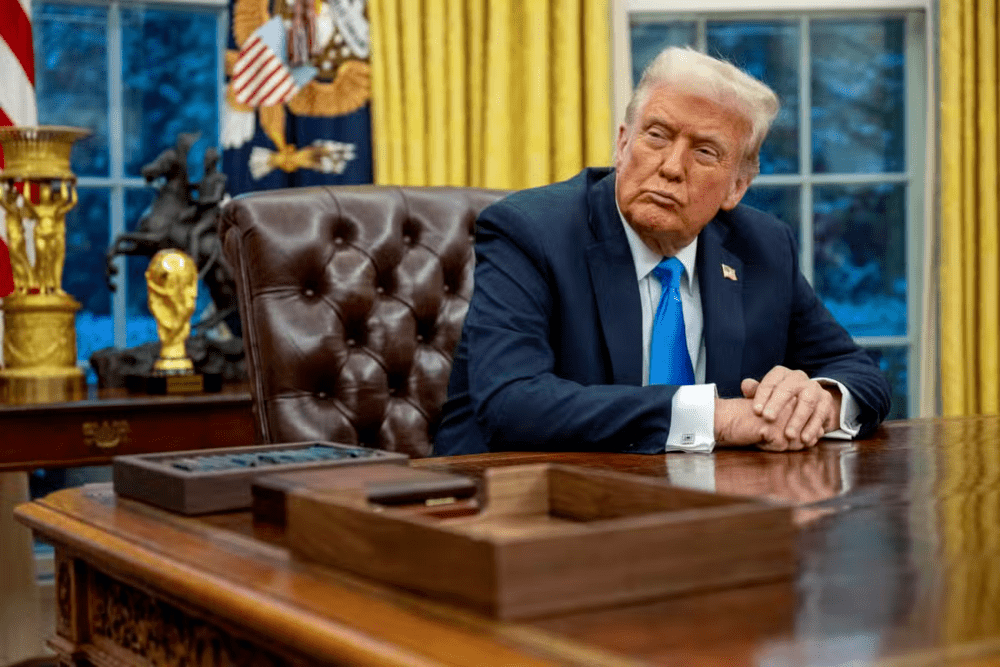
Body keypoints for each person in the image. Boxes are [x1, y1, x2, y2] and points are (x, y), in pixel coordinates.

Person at [434, 47, 891, 457]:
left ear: (737, 186)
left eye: (705, 152)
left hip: (703, 511)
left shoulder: (763, 247)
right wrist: (719, 417)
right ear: (622, 143)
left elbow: (859, 372)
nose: (671, 168)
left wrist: (819, 401)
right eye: (657, 135)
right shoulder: (530, 232)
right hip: (514, 511)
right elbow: (513, 403)